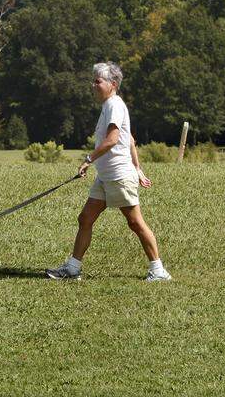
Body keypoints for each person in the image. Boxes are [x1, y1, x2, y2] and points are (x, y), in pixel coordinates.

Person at [45, 62, 171, 282]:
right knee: (85, 219)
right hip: (106, 177)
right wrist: (139, 169)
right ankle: (73, 269)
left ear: (112, 84)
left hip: (119, 176)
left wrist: (88, 159)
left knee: (135, 223)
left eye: (98, 81)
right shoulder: (109, 105)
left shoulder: (114, 105)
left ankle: (158, 271)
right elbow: (129, 140)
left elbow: (113, 140)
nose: (93, 85)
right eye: (93, 80)